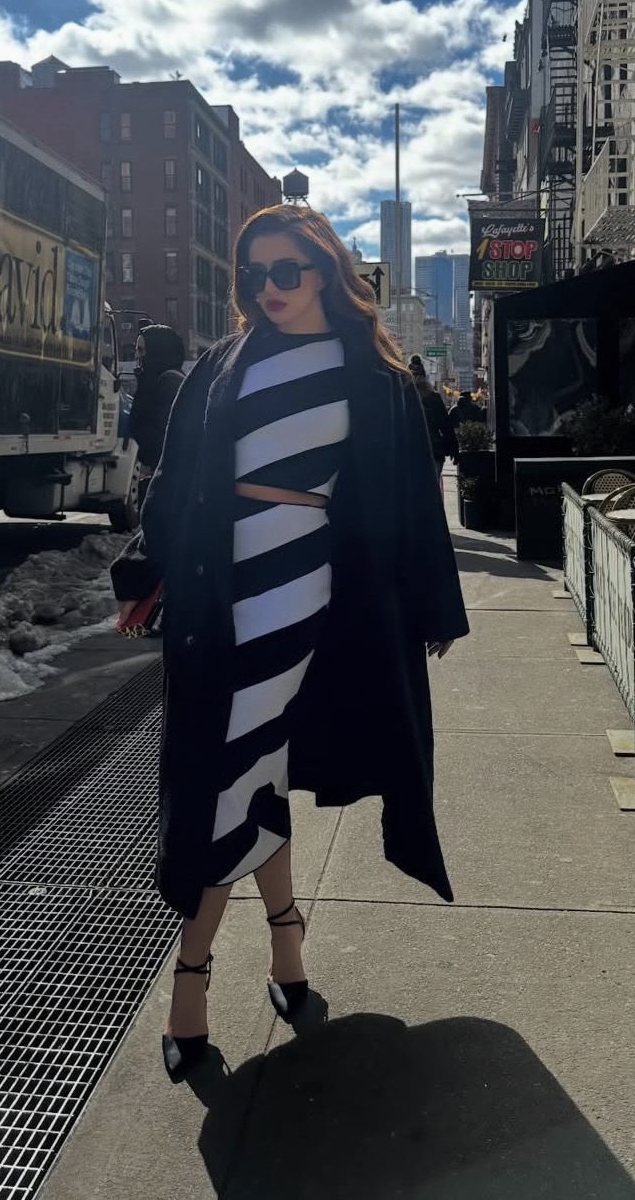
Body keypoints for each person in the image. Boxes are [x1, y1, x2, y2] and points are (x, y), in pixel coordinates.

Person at [111, 205, 469, 1083]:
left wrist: (432, 607)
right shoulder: (221, 365)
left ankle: (191, 970)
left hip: (309, 590)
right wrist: (143, 569)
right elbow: (175, 478)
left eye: (286, 270)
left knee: (230, 771)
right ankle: (286, 939)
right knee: (251, 769)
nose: (268, 288)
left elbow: (409, 498)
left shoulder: (374, 377)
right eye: (254, 273)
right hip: (216, 590)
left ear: (324, 271)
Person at [127, 324, 185, 508]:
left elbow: (165, 436)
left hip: (168, 483)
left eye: (141, 350)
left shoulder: (169, 382)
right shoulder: (157, 381)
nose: (137, 355)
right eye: (136, 349)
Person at [408, 355, 460, 476]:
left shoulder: (404, 397)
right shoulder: (433, 397)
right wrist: (454, 449)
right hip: (433, 450)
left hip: (410, 452)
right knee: (432, 485)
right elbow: (446, 425)